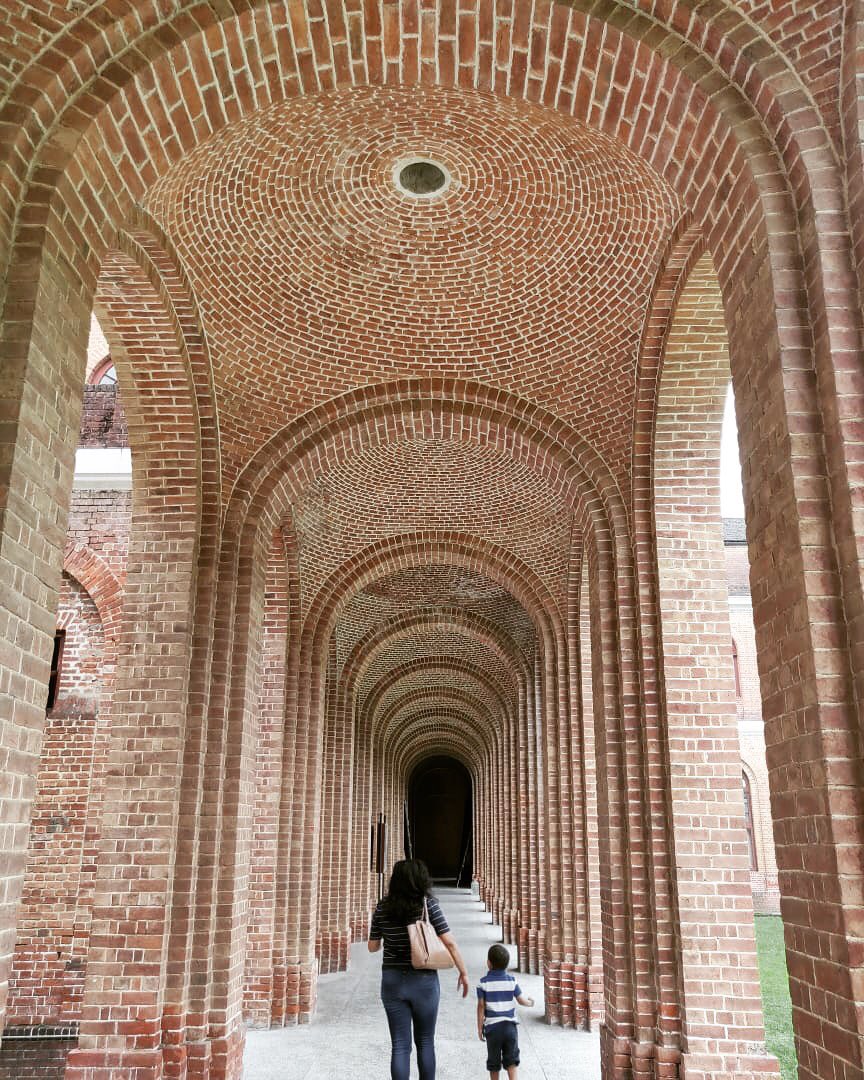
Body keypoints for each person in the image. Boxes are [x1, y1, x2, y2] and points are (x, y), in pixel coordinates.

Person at [368, 859, 469, 1080]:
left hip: (392, 980)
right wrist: (464, 972)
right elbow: (450, 942)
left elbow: (372, 947)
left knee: (400, 1046)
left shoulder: (382, 907)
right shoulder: (427, 906)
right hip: (424, 981)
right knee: (425, 1042)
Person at [476, 944, 535, 1080]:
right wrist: (530, 1002)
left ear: (488, 963)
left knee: (494, 1064)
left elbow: (480, 1007)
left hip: (493, 1030)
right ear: (507, 965)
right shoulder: (512, 981)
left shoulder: (482, 983)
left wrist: (480, 1028)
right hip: (510, 1028)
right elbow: (521, 1000)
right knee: (511, 1062)